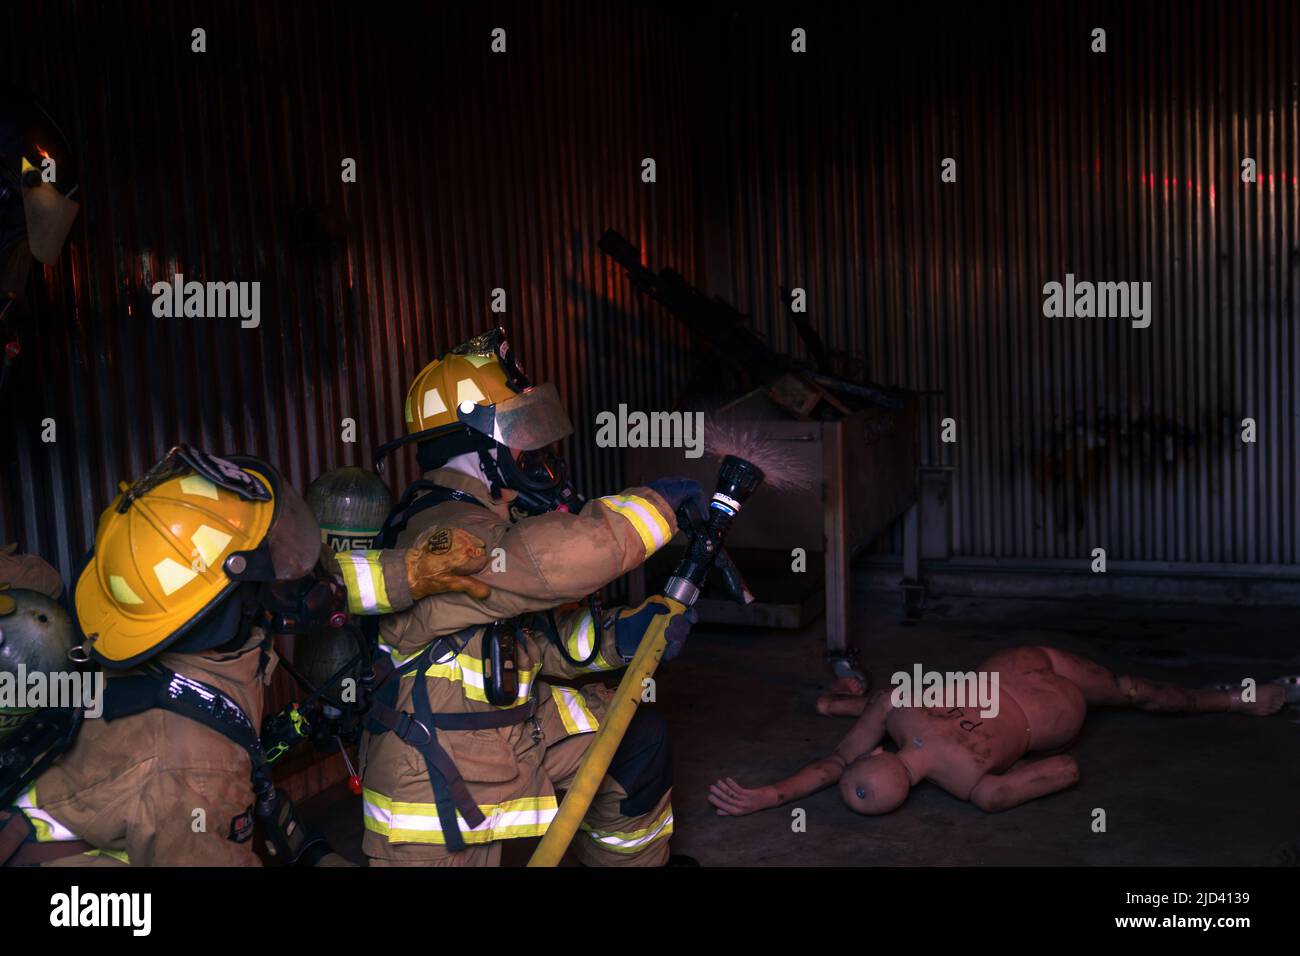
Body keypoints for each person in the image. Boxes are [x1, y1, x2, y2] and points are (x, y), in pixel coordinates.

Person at [1, 446, 492, 866]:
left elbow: (301, 581)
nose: (289, 574)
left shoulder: (149, 622)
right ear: (225, 604)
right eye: (267, 563)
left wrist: (410, 571)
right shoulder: (194, 765)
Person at [362, 327, 698, 866]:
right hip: (435, 776)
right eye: (519, 429)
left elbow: (531, 641)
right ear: (475, 445)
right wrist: (659, 506)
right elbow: (550, 561)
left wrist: (621, 636)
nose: (533, 447)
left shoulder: (487, 516)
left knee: (636, 740)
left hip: (504, 729)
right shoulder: (442, 530)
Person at [708, 645, 1287, 818]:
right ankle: (1231, 698)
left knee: (1131, 692)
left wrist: (771, 795)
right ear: (878, 750)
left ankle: (1236, 699)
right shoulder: (896, 704)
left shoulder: (975, 786)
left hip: (1053, 712)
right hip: (1018, 664)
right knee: (1131, 690)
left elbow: (1066, 769)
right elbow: (839, 764)